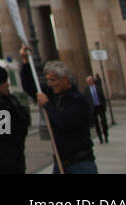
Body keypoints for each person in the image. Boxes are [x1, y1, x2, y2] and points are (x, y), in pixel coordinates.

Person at [20, 45, 96, 174]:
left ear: (65, 80)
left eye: (53, 80)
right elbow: (31, 86)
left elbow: (63, 122)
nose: (50, 84)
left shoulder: (77, 100)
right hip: (61, 161)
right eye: (48, 80)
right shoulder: (54, 94)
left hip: (80, 163)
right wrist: (26, 62)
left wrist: (47, 105)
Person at [85, 75, 109, 143]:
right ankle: (100, 138)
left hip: (100, 107)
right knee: (96, 125)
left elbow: (103, 97)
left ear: (93, 80)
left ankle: (106, 135)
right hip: (93, 109)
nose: (90, 82)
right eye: (88, 81)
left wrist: (104, 105)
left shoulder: (98, 87)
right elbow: (86, 100)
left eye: (91, 80)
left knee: (104, 122)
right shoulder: (86, 90)